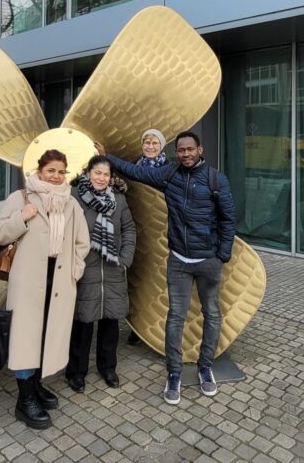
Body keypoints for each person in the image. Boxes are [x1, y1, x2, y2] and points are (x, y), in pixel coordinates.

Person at [95, 131, 236, 406]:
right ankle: (174, 372)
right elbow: (136, 172)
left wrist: (222, 255)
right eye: (181, 150)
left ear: (200, 150)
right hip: (179, 261)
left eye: (190, 149)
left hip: (208, 260)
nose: (185, 154)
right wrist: (106, 157)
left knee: (211, 313)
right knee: (175, 317)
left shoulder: (216, 179)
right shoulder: (168, 175)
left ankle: (205, 366)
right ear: (176, 152)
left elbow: (228, 219)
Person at [0, 150, 90, 430]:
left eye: (60, 171)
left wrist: (75, 271)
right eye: (50, 171)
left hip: (59, 280)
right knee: (26, 338)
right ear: (40, 171)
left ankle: (35, 385)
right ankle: (24, 399)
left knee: (46, 334)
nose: (56, 176)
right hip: (27, 280)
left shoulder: (71, 203)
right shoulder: (20, 197)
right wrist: (21, 218)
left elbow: (82, 242)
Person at [65, 155, 136, 393]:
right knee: (83, 322)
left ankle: (108, 368)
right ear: (88, 173)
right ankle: (76, 372)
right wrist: (74, 261)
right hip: (85, 269)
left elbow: (129, 229)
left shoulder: (118, 199)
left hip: (113, 268)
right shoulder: (74, 197)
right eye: (97, 173)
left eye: (106, 174)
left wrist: (125, 258)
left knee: (110, 321)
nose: (102, 178)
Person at [126, 128, 168, 348]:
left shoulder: (169, 169)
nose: (150, 147)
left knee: (158, 282)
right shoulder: (134, 167)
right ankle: (137, 327)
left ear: (161, 146)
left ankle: (160, 328)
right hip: (138, 231)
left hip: (160, 233)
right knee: (137, 281)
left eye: (154, 143)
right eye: (147, 143)